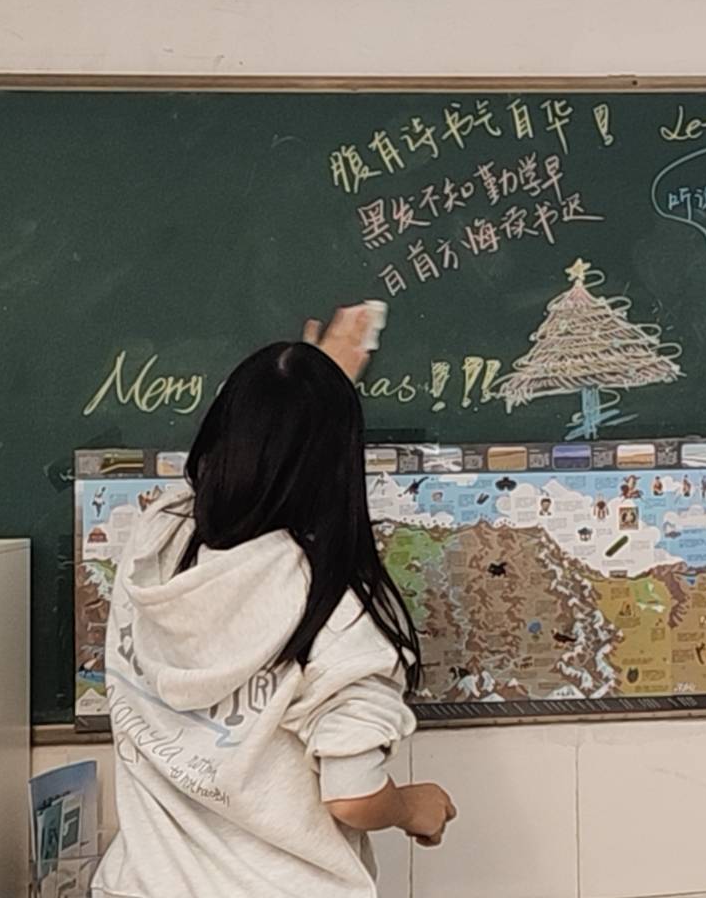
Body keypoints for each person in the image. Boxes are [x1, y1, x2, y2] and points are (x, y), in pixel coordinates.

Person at [93, 306, 456, 898]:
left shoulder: (154, 546)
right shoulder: (336, 614)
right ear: (339, 469)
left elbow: (226, 470)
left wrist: (302, 394)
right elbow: (353, 794)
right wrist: (412, 807)